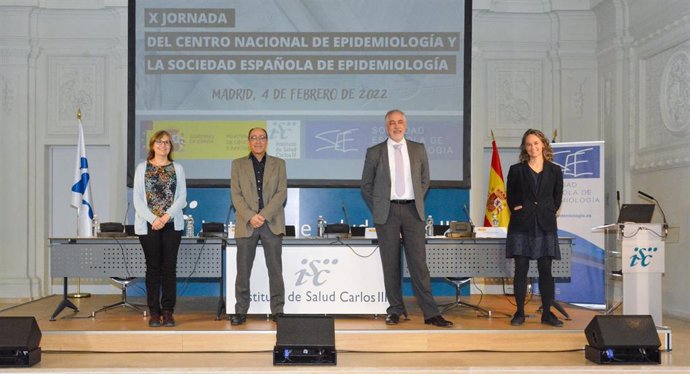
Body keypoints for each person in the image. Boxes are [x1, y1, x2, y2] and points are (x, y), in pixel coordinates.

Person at [361, 109, 453, 328]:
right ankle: (395, 310)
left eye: (400, 122)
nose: (396, 126)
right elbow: (366, 185)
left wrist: (415, 198)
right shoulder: (375, 152)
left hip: (413, 211)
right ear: (386, 127)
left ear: (406, 126)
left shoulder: (418, 149)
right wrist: (382, 205)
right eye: (391, 123)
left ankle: (431, 314)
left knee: (419, 264)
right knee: (391, 264)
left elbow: (425, 180)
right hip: (388, 213)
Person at [505, 129, 564, 327]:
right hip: (522, 224)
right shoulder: (516, 170)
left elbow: (557, 198)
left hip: (545, 225)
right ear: (525, 148)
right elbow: (510, 196)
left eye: (536, 143)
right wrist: (518, 208)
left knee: (546, 270)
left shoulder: (555, 170)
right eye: (529, 144)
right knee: (521, 270)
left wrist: (547, 211)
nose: (533, 147)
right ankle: (519, 312)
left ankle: (547, 313)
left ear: (543, 145)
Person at [230, 127, 287, 325]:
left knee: (275, 270)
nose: (258, 141)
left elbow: (281, 193)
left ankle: (278, 311)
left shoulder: (279, 164)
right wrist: (251, 216)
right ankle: (240, 310)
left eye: (261, 138)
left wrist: (262, 215)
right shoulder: (237, 165)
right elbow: (236, 195)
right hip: (247, 224)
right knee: (243, 271)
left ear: (267, 141)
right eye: (253, 138)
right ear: (248, 141)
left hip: (271, 223)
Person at [133, 130, 187, 327]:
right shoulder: (142, 168)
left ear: (170, 147)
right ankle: (154, 312)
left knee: (169, 269)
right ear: (152, 145)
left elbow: (182, 197)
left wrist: (165, 217)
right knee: (153, 269)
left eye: (167, 142)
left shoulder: (177, 168)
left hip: (171, 224)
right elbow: (137, 199)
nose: (163, 146)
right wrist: (153, 219)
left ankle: (168, 311)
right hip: (149, 227)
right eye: (159, 142)